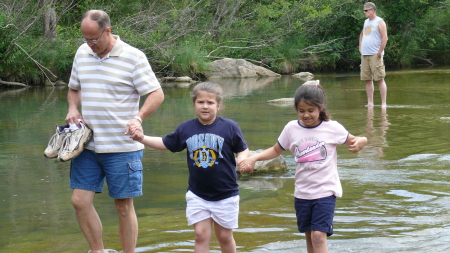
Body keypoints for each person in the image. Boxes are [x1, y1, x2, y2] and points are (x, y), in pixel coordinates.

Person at [65, 10, 164, 253]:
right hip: (86, 144)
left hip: (122, 146)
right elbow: (73, 88)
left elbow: (156, 93)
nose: (89, 44)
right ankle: (98, 251)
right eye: (85, 39)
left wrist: (138, 118)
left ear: (107, 31)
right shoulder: (82, 52)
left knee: (123, 207)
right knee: (79, 201)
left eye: (94, 39)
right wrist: (72, 107)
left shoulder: (133, 57)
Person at [239, 83, 367, 253]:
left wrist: (363, 140)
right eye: (301, 111)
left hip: (325, 192)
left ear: (320, 108)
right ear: (296, 110)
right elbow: (276, 150)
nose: (306, 115)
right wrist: (254, 157)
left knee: (318, 236)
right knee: (309, 236)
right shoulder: (291, 128)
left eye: (310, 110)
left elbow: (355, 139)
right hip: (302, 193)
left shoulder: (332, 128)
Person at [130, 82, 249, 253]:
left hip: (226, 194)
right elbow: (165, 143)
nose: (205, 106)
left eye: (210, 102)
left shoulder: (229, 127)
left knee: (224, 236)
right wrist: (141, 138)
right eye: (201, 102)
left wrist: (243, 160)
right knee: (200, 235)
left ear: (218, 105)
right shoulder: (187, 128)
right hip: (197, 194)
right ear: (194, 104)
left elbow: (242, 149)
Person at [359, 2, 388, 108]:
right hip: (365, 55)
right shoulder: (366, 22)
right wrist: (360, 48)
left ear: (372, 10)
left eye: (366, 10)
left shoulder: (380, 22)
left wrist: (380, 52)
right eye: (364, 10)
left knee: (380, 79)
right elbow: (362, 34)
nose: (364, 12)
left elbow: (385, 38)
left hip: (375, 55)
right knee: (367, 79)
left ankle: (384, 103)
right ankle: (370, 102)